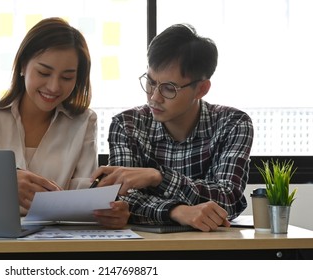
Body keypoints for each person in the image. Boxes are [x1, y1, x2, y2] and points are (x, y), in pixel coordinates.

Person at [0, 17, 129, 229]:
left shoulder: (84, 122)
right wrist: (2, 184)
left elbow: (86, 197)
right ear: (23, 65)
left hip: (59, 243)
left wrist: (110, 211)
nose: (54, 87)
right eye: (44, 72)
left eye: (67, 77)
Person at [91, 23, 254, 232]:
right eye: (150, 82)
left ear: (201, 89)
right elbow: (124, 202)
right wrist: (177, 211)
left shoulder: (233, 123)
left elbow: (228, 199)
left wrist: (157, 177)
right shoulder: (127, 124)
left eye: (169, 88)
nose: (154, 97)